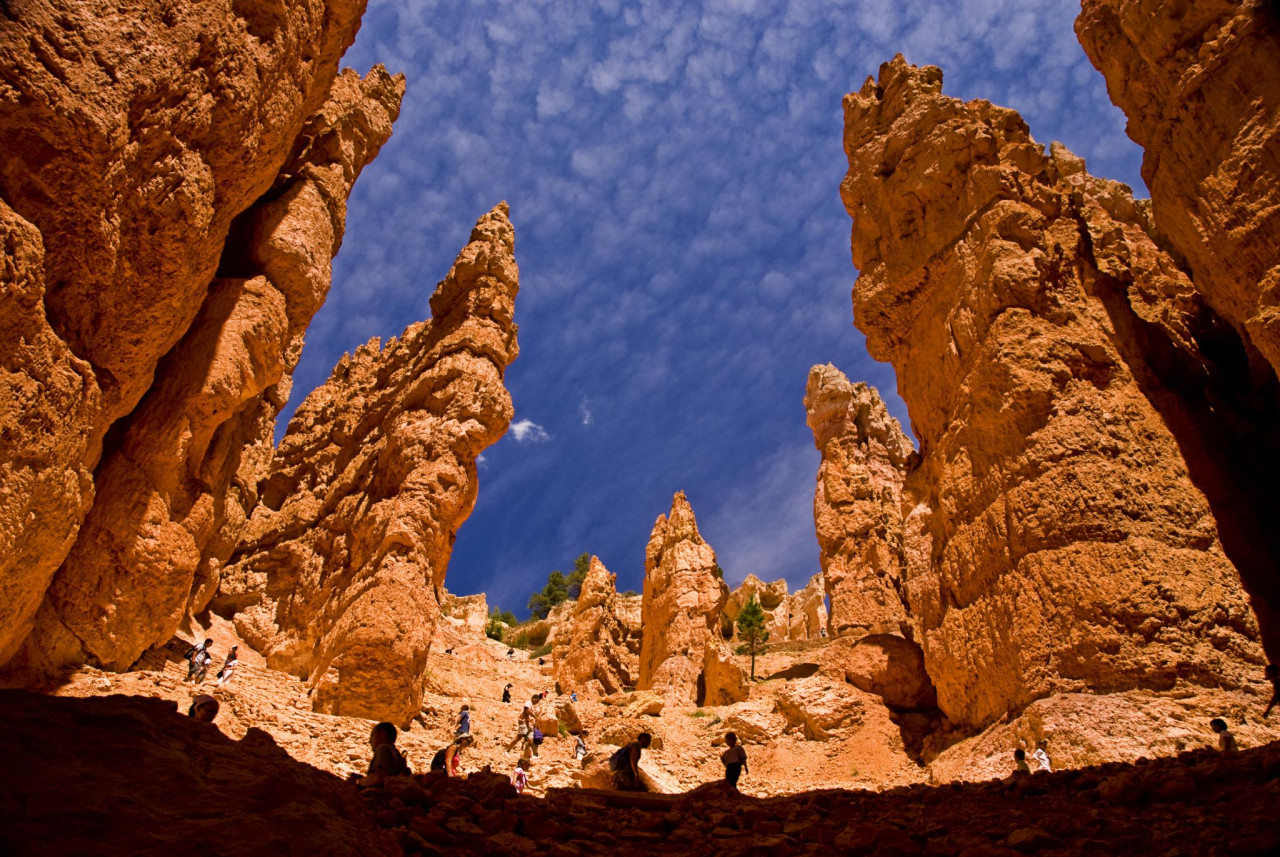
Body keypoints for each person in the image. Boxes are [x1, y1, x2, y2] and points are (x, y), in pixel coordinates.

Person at [357, 722, 409, 788]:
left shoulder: (382, 748)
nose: (370, 741)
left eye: (372, 735)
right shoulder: (397, 753)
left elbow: (379, 776)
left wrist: (358, 782)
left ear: (382, 734)